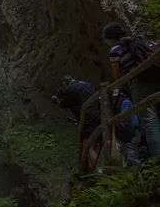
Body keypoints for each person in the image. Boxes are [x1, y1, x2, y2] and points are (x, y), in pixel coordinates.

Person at [102, 23, 160, 157]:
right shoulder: (140, 40)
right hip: (157, 77)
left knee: (150, 120)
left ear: (110, 39)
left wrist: (117, 88)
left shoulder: (115, 50)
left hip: (140, 83)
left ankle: (157, 160)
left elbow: (117, 76)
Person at [52, 76, 101, 171]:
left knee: (88, 145)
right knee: (96, 143)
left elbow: (64, 104)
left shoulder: (71, 89)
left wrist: (56, 100)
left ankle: (99, 171)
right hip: (97, 115)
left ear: (64, 85)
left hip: (87, 119)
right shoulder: (87, 84)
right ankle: (94, 167)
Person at [111, 89, 142, 166]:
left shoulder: (125, 103)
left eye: (115, 98)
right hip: (131, 134)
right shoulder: (121, 105)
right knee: (129, 155)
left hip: (132, 134)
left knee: (132, 157)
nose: (114, 100)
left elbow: (124, 118)